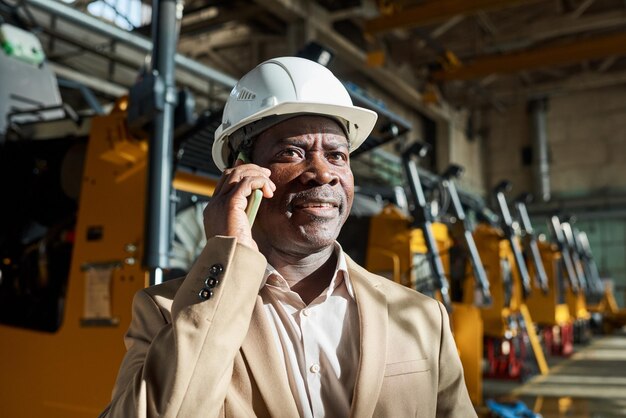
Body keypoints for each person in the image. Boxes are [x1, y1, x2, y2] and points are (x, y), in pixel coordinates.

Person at [101, 56, 476, 418]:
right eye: (291, 152)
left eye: (337, 156)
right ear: (242, 173)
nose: (323, 173)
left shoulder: (422, 317)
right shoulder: (166, 313)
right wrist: (226, 257)